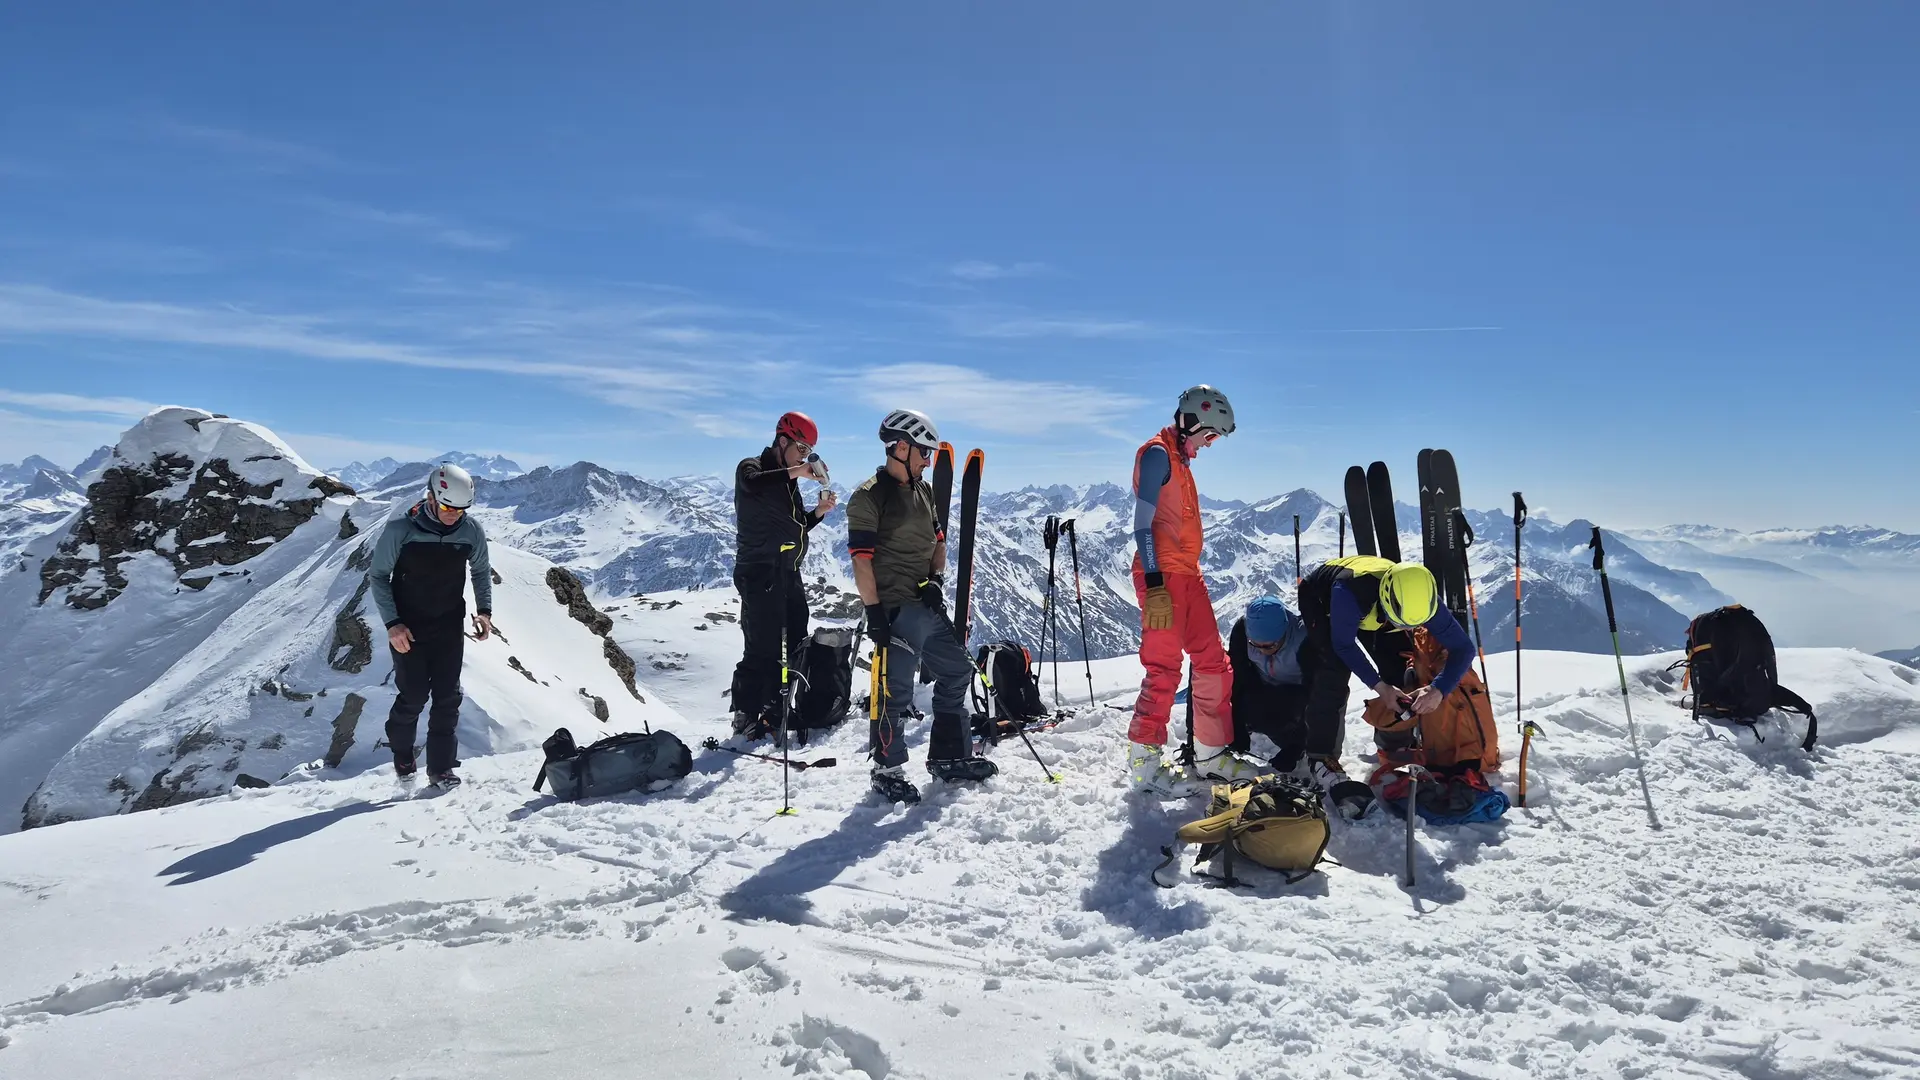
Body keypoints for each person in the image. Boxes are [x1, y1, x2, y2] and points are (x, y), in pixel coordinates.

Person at [846, 407, 996, 805]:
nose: (928, 462)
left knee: (957, 669)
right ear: (900, 447)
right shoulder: (868, 497)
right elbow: (861, 560)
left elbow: (939, 541)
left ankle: (948, 754)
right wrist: (874, 612)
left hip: (924, 605)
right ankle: (886, 768)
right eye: (923, 453)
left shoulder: (924, 490)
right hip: (894, 608)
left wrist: (937, 581)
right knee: (893, 692)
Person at [1295, 556, 1474, 816]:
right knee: (1332, 670)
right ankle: (1321, 754)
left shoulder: (1424, 600)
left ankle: (1394, 743)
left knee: (1398, 666)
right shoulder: (1348, 593)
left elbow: (1462, 648)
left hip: (1376, 609)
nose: (1404, 628)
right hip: (1322, 600)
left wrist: (1438, 689)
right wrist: (1380, 687)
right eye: (1400, 622)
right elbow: (1344, 645)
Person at [1127, 384, 1238, 793]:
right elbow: (1143, 524)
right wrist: (1154, 582)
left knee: (1213, 660)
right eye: (1210, 435)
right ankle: (1145, 764)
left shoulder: (1181, 459)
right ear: (1193, 420)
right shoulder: (1157, 454)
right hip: (1163, 574)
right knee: (1164, 667)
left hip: (1189, 574)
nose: (1210, 444)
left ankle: (1211, 753)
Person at [368, 463, 494, 789]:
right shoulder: (401, 530)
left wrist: (485, 612)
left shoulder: (471, 532)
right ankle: (402, 753)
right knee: (412, 697)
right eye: (448, 506)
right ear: (432, 496)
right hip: (408, 629)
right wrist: (393, 625)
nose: (454, 514)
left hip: (449, 624)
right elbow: (379, 576)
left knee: (448, 698)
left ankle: (440, 769)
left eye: (462, 509)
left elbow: (480, 571)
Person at [729, 410, 837, 739]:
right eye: (802, 449)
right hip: (759, 571)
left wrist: (817, 513)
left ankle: (777, 706)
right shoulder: (753, 468)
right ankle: (746, 715)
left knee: (795, 638)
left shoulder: (788, 484)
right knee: (762, 644)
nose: (806, 457)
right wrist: (798, 471)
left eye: (808, 452)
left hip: (787, 571)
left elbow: (795, 527)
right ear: (783, 441)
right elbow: (753, 482)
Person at [1226, 595, 1312, 771]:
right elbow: (1237, 676)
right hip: (1262, 689)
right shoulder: (1243, 631)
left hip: (1297, 697)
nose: (1261, 652)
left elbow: (1318, 691)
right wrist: (1236, 723)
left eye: (1269, 646)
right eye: (1255, 645)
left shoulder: (1305, 640)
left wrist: (1297, 746)